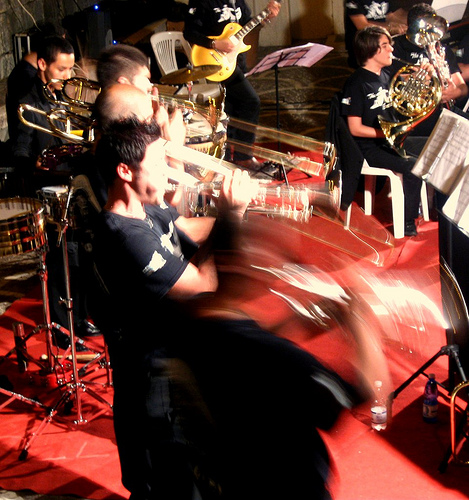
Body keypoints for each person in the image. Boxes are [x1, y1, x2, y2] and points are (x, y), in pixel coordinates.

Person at [11, 35, 100, 346]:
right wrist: (31, 165)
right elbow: (20, 148)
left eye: (70, 69)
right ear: (42, 65)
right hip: (51, 192)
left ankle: (81, 317)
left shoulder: (64, 95)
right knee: (62, 262)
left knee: (84, 257)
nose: (68, 76)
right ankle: (63, 328)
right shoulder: (29, 102)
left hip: (76, 185)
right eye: (61, 70)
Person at [341, 25, 424, 237]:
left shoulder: (385, 75)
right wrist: (385, 134)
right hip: (369, 148)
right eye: (385, 45)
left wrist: (423, 77)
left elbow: (401, 100)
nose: (391, 50)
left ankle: (425, 203)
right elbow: (355, 128)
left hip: (389, 141)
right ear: (372, 50)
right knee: (414, 167)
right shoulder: (356, 83)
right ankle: (407, 221)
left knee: (431, 148)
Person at [183, 0, 281, 169]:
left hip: (234, 62)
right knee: (251, 101)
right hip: (212, 61)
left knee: (230, 109)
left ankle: (228, 157)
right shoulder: (202, 2)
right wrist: (215, 44)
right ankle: (242, 157)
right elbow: (189, 32)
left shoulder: (237, 1)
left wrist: (264, 18)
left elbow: (246, 26)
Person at [388, 3, 468, 136]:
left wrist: (456, 92)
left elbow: (462, 86)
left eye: (430, 27)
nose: (426, 33)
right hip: (413, 115)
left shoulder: (441, 49)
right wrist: (425, 78)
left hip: (443, 111)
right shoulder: (396, 47)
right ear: (410, 27)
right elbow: (393, 82)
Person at [344, 0, 408, 68]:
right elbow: (362, 25)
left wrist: (411, 20)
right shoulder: (353, 1)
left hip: (382, 43)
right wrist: (390, 28)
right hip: (364, 45)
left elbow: (391, 15)